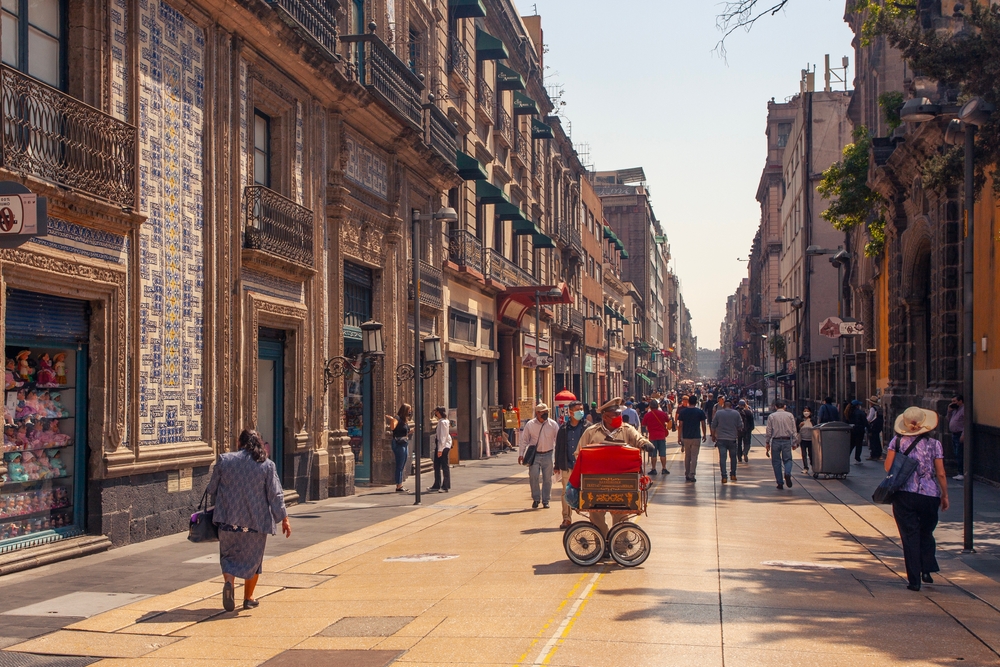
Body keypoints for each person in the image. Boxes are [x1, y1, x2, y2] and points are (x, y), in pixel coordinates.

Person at [206, 429, 291, 612]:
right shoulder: (267, 465)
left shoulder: (224, 460)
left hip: (228, 521)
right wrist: (283, 517)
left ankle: (229, 583)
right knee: (254, 560)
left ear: (239, 443)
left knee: (228, 556)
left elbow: (211, 488)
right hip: (255, 524)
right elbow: (275, 494)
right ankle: (249, 597)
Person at [886, 406, 949, 591]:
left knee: (910, 535)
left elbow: (888, 467)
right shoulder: (935, 444)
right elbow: (941, 473)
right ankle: (927, 569)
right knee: (926, 532)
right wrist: (944, 495)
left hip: (904, 494)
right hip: (930, 495)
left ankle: (914, 580)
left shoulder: (896, 442)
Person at [575, 398, 652, 537]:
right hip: (597, 483)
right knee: (596, 516)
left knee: (621, 517)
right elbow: (578, 454)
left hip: (621, 482)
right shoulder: (591, 432)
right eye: (614, 415)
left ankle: (619, 544)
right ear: (605, 416)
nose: (618, 417)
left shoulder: (627, 429)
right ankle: (602, 541)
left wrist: (645, 443)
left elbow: (638, 438)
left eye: (619, 414)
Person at [519, 403, 559, 509]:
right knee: (533, 477)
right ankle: (536, 499)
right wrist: (521, 454)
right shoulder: (530, 424)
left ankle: (546, 500)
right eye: (543, 412)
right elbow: (524, 440)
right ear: (537, 413)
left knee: (547, 479)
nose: (546, 413)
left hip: (548, 454)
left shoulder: (553, 424)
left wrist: (558, 457)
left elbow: (558, 440)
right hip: (535, 456)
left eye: (546, 411)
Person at [554, 400, 586, 528]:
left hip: (583, 465)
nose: (580, 412)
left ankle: (592, 518)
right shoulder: (563, 429)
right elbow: (559, 447)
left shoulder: (587, 427)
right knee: (565, 492)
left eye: (581, 409)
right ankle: (566, 518)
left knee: (586, 490)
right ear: (571, 412)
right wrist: (557, 465)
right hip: (567, 465)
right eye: (578, 410)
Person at [765, 399, 798, 490]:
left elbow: (769, 430)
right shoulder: (790, 415)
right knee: (788, 460)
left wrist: (767, 442)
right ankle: (787, 473)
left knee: (776, 462)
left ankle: (780, 482)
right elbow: (794, 430)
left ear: (775, 407)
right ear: (784, 406)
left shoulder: (772, 416)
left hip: (775, 441)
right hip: (787, 440)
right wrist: (794, 442)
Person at [711, 397, 743, 484]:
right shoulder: (736, 413)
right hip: (732, 439)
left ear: (723, 405)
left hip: (721, 439)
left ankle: (724, 476)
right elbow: (740, 426)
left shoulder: (718, 413)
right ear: (731, 406)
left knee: (722, 458)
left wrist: (713, 436)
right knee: (733, 457)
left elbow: (713, 425)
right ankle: (733, 474)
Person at [677, 395, 708, 482]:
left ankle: (687, 473)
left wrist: (679, 437)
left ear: (689, 402)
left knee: (687, 456)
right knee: (694, 456)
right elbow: (703, 424)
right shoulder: (699, 412)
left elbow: (680, 425)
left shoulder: (683, 412)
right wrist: (704, 434)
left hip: (686, 437)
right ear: (696, 402)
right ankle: (692, 474)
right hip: (696, 436)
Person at [641, 398, 672, 475]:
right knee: (663, 453)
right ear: (658, 406)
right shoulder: (662, 413)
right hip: (661, 436)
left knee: (653, 454)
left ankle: (654, 469)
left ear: (650, 406)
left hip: (652, 437)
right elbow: (668, 421)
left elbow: (643, 424)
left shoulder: (647, 415)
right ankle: (664, 468)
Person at [386, 403, 411, 493]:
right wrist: (392, 419)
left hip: (404, 443)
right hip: (399, 444)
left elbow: (405, 432)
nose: (410, 412)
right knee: (400, 465)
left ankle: (400, 484)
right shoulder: (397, 418)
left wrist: (412, 430)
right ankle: (399, 486)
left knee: (403, 464)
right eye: (409, 410)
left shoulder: (405, 420)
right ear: (405, 410)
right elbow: (393, 428)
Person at [429, 406, 452, 492]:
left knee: (444, 465)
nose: (435, 413)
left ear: (439, 412)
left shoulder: (443, 422)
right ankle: (436, 484)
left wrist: (440, 449)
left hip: (443, 446)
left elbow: (443, 436)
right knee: (437, 465)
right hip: (441, 445)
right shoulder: (442, 421)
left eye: (436, 412)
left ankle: (445, 486)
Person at [946, 395, 965, 480]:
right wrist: (949, 411)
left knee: (959, 453)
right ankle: (959, 471)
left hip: (960, 434)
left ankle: (961, 472)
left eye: (954, 401)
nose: (952, 403)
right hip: (954, 434)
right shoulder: (954, 410)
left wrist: (963, 434)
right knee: (956, 453)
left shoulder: (964, 410)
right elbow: (949, 420)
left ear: (960, 401)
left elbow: (966, 423)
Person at [736, 399, 755, 463]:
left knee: (739, 443)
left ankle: (739, 456)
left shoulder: (736, 411)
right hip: (747, 430)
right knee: (747, 443)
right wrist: (751, 429)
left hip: (738, 430)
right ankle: (745, 452)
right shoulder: (748, 411)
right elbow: (752, 422)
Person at [849, 399, 867, 464]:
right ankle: (857, 458)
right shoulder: (860, 412)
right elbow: (865, 422)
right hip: (860, 430)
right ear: (857, 406)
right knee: (859, 445)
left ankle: (847, 457)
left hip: (853, 429)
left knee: (851, 445)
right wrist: (868, 429)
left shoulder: (850, 412)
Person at [867, 396, 885, 461]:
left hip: (873, 426)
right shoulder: (879, 408)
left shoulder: (873, 409)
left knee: (873, 440)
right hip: (879, 426)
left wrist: (866, 421)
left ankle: (874, 454)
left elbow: (870, 417)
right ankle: (878, 453)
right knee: (877, 440)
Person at [797, 408, 814, 476]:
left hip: (811, 440)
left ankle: (813, 465)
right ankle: (805, 467)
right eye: (805, 411)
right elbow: (796, 429)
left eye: (807, 411)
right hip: (803, 439)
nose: (806, 412)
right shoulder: (800, 419)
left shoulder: (813, 420)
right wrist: (799, 426)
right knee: (804, 454)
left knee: (811, 454)